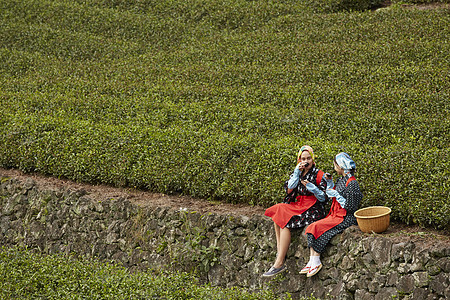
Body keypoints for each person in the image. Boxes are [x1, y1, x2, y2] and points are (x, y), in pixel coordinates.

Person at [262, 145, 329, 277]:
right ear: (299, 160)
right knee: (278, 211)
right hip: (298, 204)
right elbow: (289, 189)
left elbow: (324, 198)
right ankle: (279, 251)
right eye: (303, 158)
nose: (306, 161)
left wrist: (313, 188)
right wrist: (297, 173)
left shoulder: (319, 174)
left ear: (313, 159)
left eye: (308, 158)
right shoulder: (298, 172)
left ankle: (279, 262)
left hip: (313, 206)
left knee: (285, 222)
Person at [302, 152, 363, 277]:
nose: (334, 166)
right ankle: (312, 259)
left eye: (335, 164)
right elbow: (332, 195)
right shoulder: (342, 179)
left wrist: (337, 195)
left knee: (316, 227)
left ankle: (316, 260)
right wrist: (329, 183)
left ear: (341, 166)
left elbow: (351, 207)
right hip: (336, 214)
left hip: (346, 217)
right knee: (313, 226)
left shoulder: (352, 183)